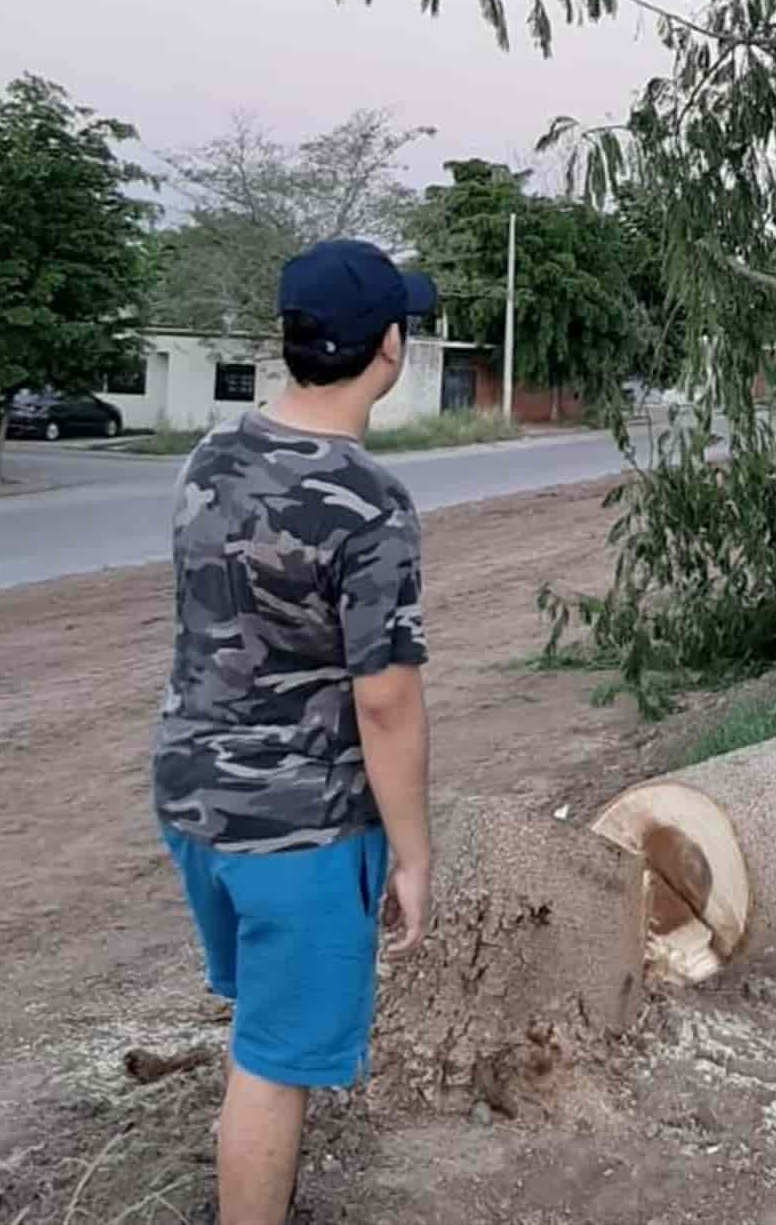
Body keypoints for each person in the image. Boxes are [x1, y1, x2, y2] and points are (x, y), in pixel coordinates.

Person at [151, 239, 440, 1225]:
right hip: (300, 830)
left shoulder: (210, 455)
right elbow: (387, 700)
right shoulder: (370, 503)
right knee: (274, 1066)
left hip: (195, 799)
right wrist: (413, 853)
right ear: (388, 348)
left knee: (259, 1030)